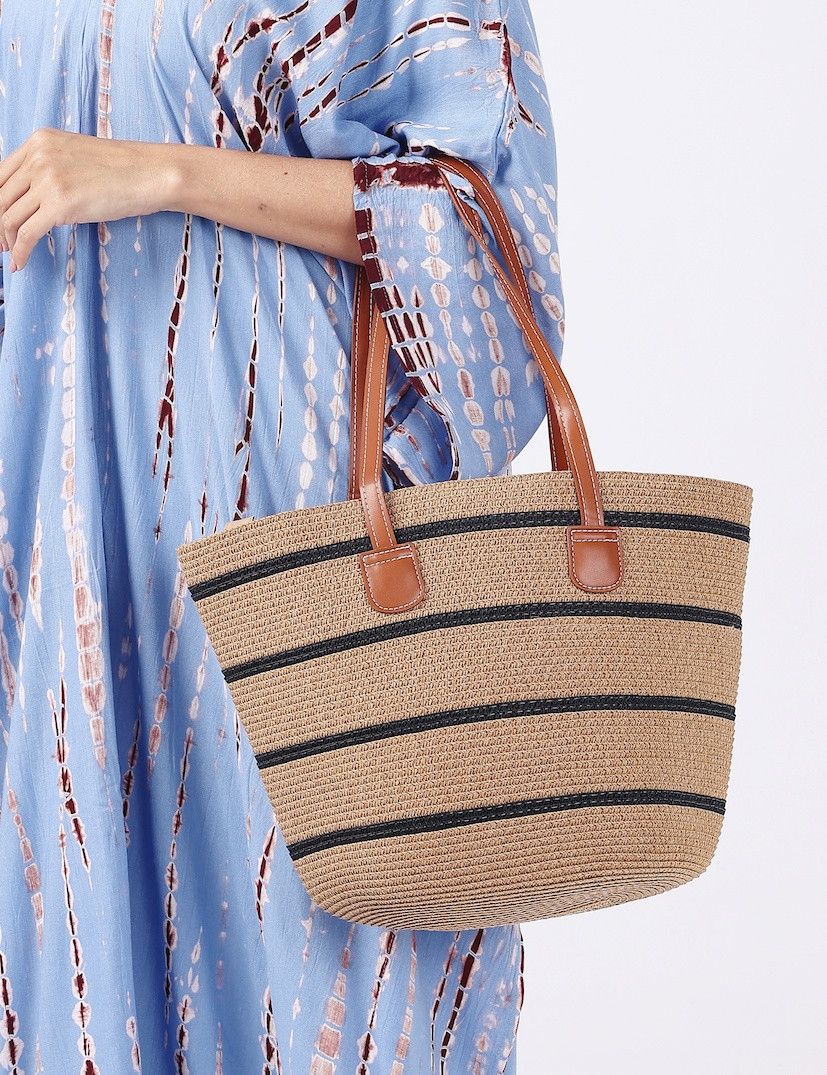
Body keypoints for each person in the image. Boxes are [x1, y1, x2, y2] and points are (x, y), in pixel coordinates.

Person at [0, 1, 564, 1069]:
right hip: (61, 515)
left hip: (283, 494)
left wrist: (167, 171)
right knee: (77, 910)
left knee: (311, 945)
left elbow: (477, 215)